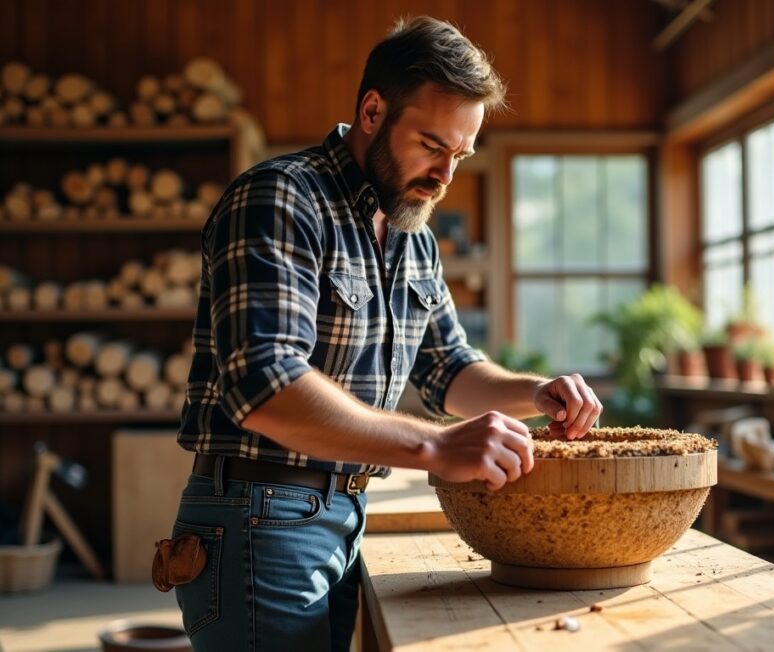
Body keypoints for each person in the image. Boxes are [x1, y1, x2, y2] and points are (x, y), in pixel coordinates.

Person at [167, 15, 602, 652]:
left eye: (460, 154)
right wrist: (436, 448)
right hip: (260, 514)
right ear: (373, 110)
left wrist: (535, 393)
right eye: (431, 145)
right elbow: (264, 386)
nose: (445, 175)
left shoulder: (411, 233)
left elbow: (448, 369)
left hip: (341, 513)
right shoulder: (281, 198)